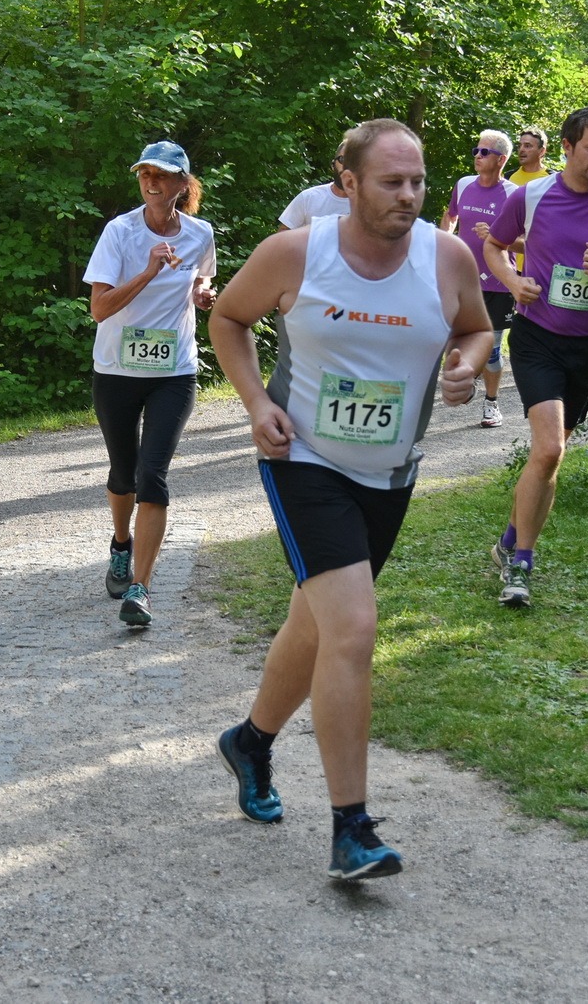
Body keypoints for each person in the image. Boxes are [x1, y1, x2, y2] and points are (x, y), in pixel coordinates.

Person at [208, 119, 493, 880]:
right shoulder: (297, 253)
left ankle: (251, 742)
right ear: (348, 181)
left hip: (390, 475)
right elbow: (229, 317)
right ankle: (352, 827)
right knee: (356, 628)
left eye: (419, 181)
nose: (409, 196)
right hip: (302, 458)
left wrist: (467, 365)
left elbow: (477, 330)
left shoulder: (448, 257)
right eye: (392, 182)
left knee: (317, 625)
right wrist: (252, 402)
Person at [482, 107, 588, 607]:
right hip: (536, 337)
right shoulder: (532, 195)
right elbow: (494, 247)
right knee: (550, 450)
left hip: (587, 344)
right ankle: (521, 567)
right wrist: (513, 281)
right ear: (568, 147)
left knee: (551, 453)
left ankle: (508, 542)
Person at [84, 140, 217, 626]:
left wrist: (203, 295)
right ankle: (121, 541)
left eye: (162, 175)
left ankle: (140, 588)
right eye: (145, 174)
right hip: (117, 370)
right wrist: (148, 270)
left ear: (183, 184)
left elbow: (202, 281)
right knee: (124, 473)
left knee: (152, 475)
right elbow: (99, 308)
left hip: (174, 372)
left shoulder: (200, 234)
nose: (151, 182)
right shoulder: (118, 233)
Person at [440, 129, 520, 427]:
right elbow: (451, 216)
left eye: (484, 152)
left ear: (501, 160)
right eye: (476, 150)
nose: (476, 156)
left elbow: (529, 240)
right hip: (463, 279)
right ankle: (469, 375)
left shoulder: (513, 194)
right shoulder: (463, 185)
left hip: (499, 282)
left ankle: (492, 403)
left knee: (491, 350)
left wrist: (501, 238)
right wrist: (445, 238)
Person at [276, 141, 351, 230]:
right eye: (343, 159)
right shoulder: (308, 198)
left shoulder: (369, 204)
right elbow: (284, 235)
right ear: (333, 164)